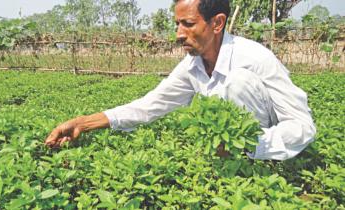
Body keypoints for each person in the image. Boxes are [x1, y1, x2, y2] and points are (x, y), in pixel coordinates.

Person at [45, 0, 316, 160]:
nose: (178, 34)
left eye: (187, 24)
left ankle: (252, 165)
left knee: (238, 81)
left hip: (264, 148)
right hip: (225, 151)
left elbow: (303, 127)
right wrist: (83, 122)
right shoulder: (192, 65)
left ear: (217, 23)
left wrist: (247, 144)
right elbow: (149, 106)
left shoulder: (255, 58)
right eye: (177, 25)